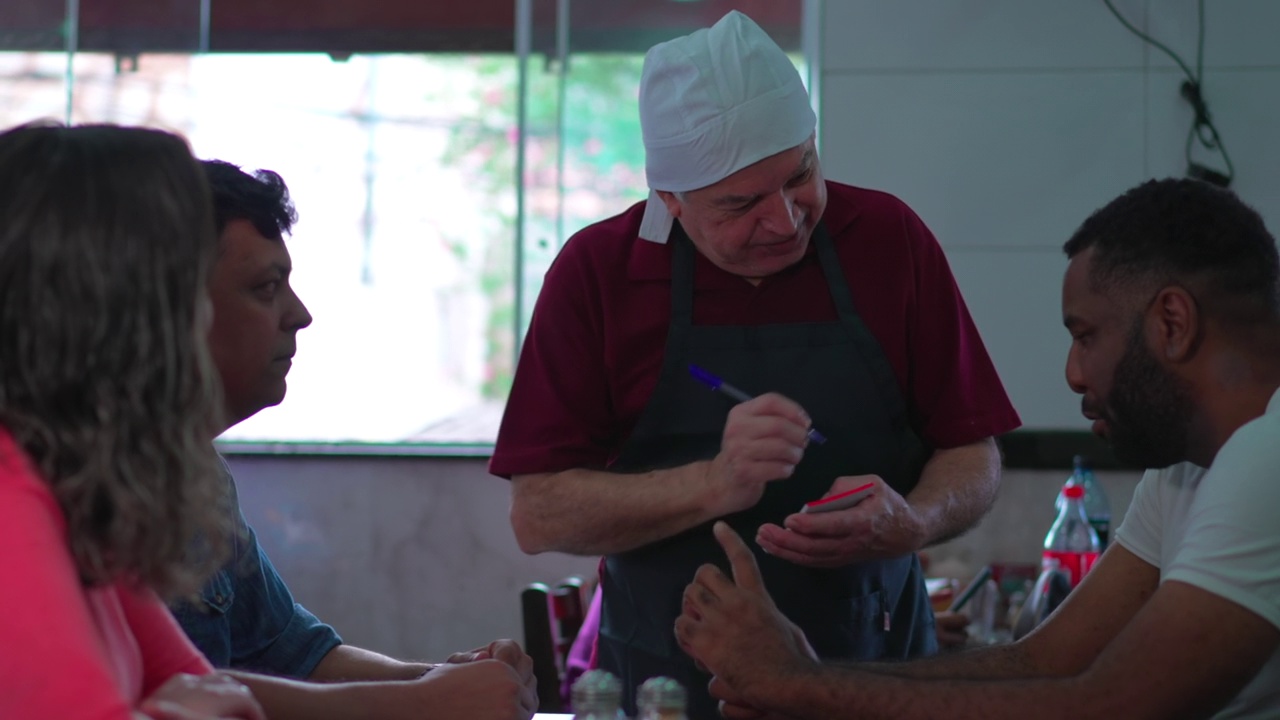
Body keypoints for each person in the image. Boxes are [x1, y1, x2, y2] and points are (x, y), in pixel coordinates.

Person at [491, 10, 1020, 715]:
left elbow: (972, 453)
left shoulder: (889, 242)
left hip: (879, 676)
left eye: (800, 174)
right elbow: (540, 515)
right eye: (740, 204)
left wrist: (916, 520)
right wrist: (713, 483)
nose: (786, 218)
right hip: (663, 688)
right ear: (671, 201)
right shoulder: (599, 274)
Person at [676, 177, 1280, 719]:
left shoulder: (1269, 455)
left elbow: (1107, 704)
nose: (1072, 372)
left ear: (1172, 322)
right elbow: (1044, 663)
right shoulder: (1182, 471)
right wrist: (810, 679)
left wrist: (799, 686)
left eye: (1086, 336)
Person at [169, 160, 537, 720]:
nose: (301, 314)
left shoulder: (195, 472)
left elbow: (288, 653)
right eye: (266, 288)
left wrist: (443, 680)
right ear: (167, 311)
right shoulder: (68, 489)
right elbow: (167, 689)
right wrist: (419, 703)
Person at [0, 122, 265, 719]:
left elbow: (209, 691)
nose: (201, 321)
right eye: (187, 290)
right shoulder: (9, 499)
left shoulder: (73, 491)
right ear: (127, 324)